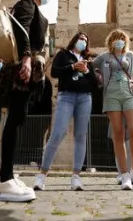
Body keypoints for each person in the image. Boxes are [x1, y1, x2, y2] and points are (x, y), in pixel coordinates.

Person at [0, 0, 50, 202]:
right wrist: (26, 59)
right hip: (21, 68)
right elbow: (21, 31)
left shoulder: (30, 6)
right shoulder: (27, 4)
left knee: (17, 118)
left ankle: (5, 176)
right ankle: (5, 179)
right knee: (15, 119)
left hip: (24, 66)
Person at [34, 32, 96, 191]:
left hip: (85, 97)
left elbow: (95, 82)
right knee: (58, 132)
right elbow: (54, 72)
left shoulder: (88, 59)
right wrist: (73, 67)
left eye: (85, 40)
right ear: (74, 40)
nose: (83, 41)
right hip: (66, 96)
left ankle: (76, 176)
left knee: (81, 135)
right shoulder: (63, 54)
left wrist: (87, 71)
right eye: (81, 39)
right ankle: (42, 174)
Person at [91, 29, 133, 191]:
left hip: (129, 93)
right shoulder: (104, 56)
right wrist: (99, 78)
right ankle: (124, 175)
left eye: (122, 39)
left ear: (126, 41)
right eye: (116, 39)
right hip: (111, 94)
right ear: (111, 41)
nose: (119, 41)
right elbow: (90, 67)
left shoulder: (131, 55)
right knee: (117, 132)